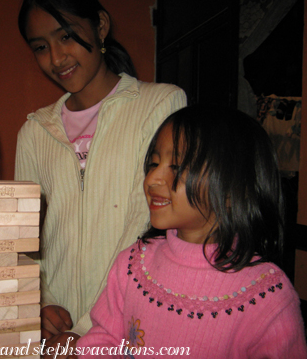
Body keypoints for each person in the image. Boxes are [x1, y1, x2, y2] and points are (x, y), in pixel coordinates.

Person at [15, 0, 187, 350]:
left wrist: (91, 326)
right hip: (53, 327)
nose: (57, 58)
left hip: (129, 319)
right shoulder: (34, 132)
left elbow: (144, 224)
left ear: (101, 26)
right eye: (41, 47)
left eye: (67, 36)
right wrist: (38, 304)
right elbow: (23, 240)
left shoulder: (159, 105)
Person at [77, 105, 307, 358]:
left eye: (176, 166)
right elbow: (100, 341)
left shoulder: (266, 297)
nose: (153, 178)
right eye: (154, 163)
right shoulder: (134, 263)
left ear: (232, 190)